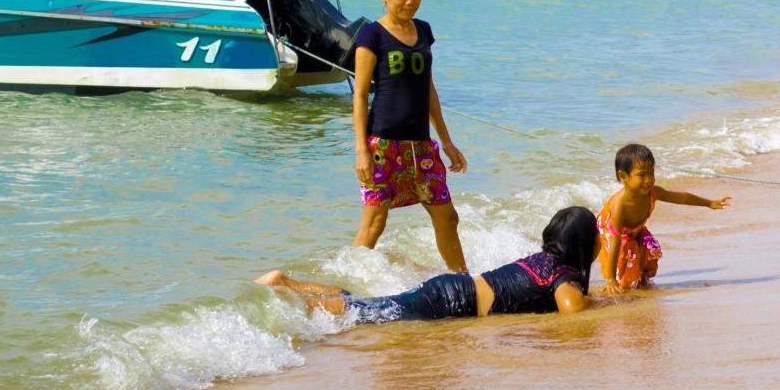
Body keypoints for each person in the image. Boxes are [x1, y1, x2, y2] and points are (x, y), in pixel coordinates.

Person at [257, 207, 598, 320]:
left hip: (453, 290)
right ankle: (307, 306)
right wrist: (600, 302)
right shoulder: (564, 273)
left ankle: (289, 285)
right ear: (583, 245)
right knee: (369, 313)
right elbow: (570, 309)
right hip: (454, 301)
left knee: (375, 307)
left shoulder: (543, 259)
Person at [350, 0, 470, 273]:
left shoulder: (424, 31)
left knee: (447, 217)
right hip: (382, 145)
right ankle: (347, 290)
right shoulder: (370, 36)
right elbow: (360, 95)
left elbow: (428, 88)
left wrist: (446, 141)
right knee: (375, 223)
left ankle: (463, 280)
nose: (410, 1)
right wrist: (362, 149)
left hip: (420, 146)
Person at [597, 143, 731, 291]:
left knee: (647, 256)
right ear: (623, 176)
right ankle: (621, 281)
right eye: (642, 175)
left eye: (651, 172)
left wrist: (709, 203)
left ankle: (641, 280)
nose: (648, 179)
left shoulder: (653, 193)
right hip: (613, 233)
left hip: (635, 229)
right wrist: (610, 279)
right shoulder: (619, 206)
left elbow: (681, 198)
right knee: (625, 270)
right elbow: (615, 240)